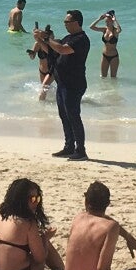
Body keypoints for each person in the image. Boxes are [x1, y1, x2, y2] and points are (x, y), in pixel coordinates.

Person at [44, 9, 91, 160]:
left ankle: (81, 150)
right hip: (62, 83)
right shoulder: (68, 38)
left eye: (67, 22)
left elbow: (62, 49)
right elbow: (54, 51)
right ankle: (69, 146)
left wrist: (47, 39)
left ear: (76, 23)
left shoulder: (81, 39)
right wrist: (41, 40)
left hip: (73, 84)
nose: (65, 24)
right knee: (64, 115)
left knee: (73, 116)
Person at [91, 9, 121, 78]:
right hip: (104, 56)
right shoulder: (104, 30)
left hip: (114, 57)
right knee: (103, 77)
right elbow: (92, 27)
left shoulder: (115, 31)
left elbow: (120, 30)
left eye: (108, 21)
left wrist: (115, 20)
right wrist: (99, 19)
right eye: (105, 21)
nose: (106, 23)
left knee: (113, 77)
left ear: (112, 21)